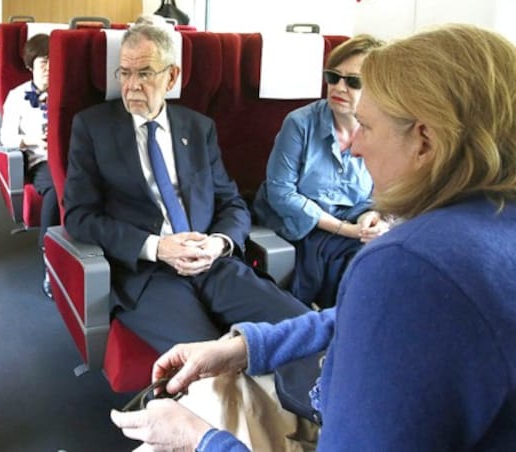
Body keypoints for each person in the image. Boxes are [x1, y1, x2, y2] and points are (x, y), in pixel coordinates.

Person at [112, 24, 516, 451]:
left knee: (172, 432)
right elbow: (364, 320)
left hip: (234, 285)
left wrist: (199, 440)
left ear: (425, 141)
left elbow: (230, 201)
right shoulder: (489, 227)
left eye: (367, 127)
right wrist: (245, 346)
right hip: (151, 271)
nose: (355, 148)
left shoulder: (409, 264)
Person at [63, 23, 308, 353]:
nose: (132, 85)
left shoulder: (198, 127)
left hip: (212, 263)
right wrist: (156, 247)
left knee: (303, 328)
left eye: (145, 73)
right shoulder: (92, 127)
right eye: (124, 73)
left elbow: (231, 202)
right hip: (149, 275)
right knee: (208, 363)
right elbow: (79, 216)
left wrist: (219, 244)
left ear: (172, 77)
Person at [252, 34, 387, 309]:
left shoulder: (384, 128)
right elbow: (280, 193)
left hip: (352, 221)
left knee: (383, 255)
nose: (339, 87)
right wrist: (344, 229)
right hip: (298, 223)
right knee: (353, 257)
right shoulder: (300, 123)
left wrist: (374, 215)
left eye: (353, 81)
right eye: (333, 76)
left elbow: (386, 189)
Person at [0, 33, 59, 299]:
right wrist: (32, 139)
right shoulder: (17, 96)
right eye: (44, 62)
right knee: (56, 190)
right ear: (30, 65)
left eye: (55, 61)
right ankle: (50, 262)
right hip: (42, 160)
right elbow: (6, 137)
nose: (50, 68)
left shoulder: (69, 90)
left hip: (74, 157)